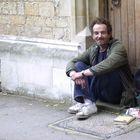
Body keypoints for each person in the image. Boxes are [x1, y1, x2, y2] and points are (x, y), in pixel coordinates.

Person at [66, 17, 135, 119]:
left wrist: (82, 74)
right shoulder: (94, 49)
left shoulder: (118, 47)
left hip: (116, 93)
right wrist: (73, 73)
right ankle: (87, 103)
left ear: (109, 34)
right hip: (99, 91)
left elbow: (106, 65)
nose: (99, 36)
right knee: (78, 65)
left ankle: (88, 103)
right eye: (96, 33)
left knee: (103, 69)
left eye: (103, 33)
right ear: (93, 35)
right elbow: (72, 61)